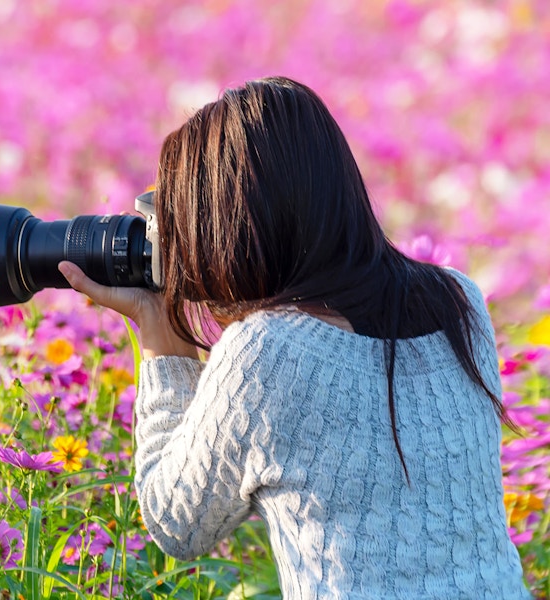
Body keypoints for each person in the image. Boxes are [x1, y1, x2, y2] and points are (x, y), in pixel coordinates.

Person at [57, 77, 530, 599]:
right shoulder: (460, 301)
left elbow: (177, 523)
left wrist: (159, 334)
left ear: (230, 222)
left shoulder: (267, 351)